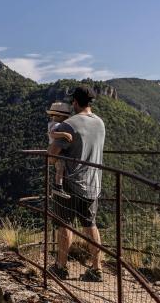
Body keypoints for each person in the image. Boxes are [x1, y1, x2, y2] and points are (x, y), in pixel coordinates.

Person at [48, 85, 106, 282]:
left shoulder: (68, 125)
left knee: (64, 225)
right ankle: (96, 269)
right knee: (90, 225)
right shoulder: (100, 123)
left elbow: (51, 157)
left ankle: (61, 267)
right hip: (93, 183)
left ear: (75, 102)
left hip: (70, 184)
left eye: (72, 100)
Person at [46, 102, 73, 199]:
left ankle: (57, 187)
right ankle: (58, 187)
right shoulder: (56, 125)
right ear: (60, 116)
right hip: (57, 150)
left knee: (60, 168)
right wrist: (65, 134)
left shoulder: (53, 123)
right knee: (60, 168)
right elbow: (53, 134)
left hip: (54, 148)